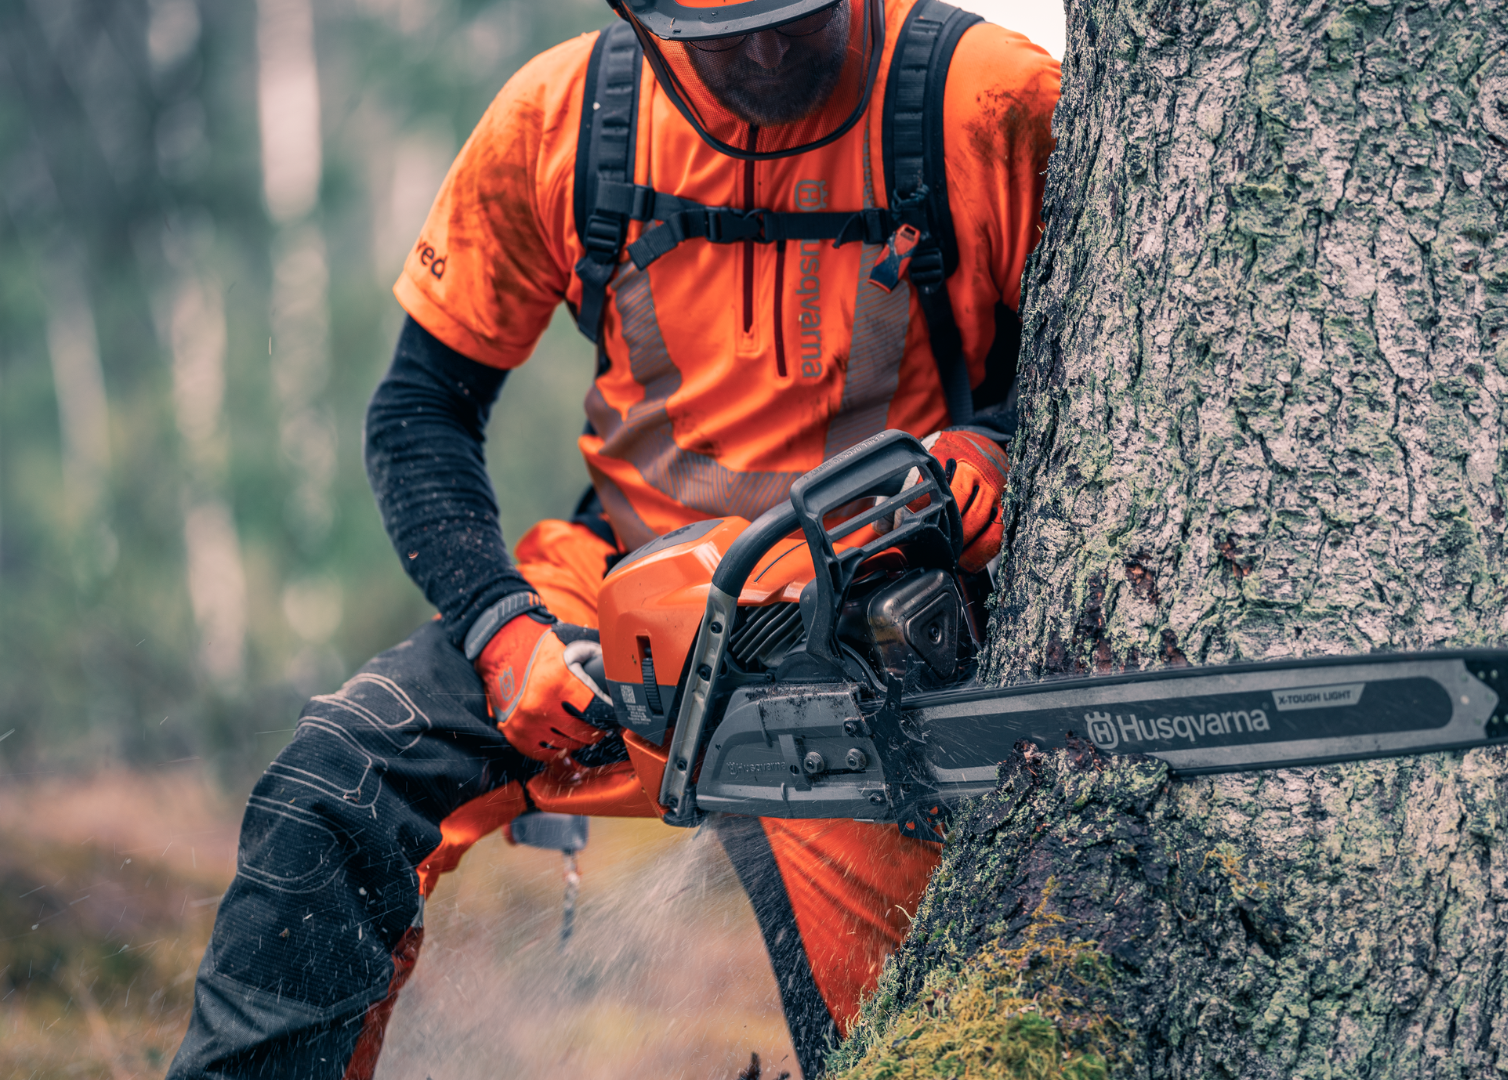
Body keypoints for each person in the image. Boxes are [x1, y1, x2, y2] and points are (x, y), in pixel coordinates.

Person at [166, 0, 1057, 1076]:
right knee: (333, 789)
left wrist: (992, 459)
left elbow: (1103, 379)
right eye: (726, 41)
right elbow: (420, 412)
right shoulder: (566, 119)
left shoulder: (988, 103)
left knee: (904, 1035)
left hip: (867, 626)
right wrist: (503, 629)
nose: (768, 53)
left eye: (795, 23)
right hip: (618, 593)